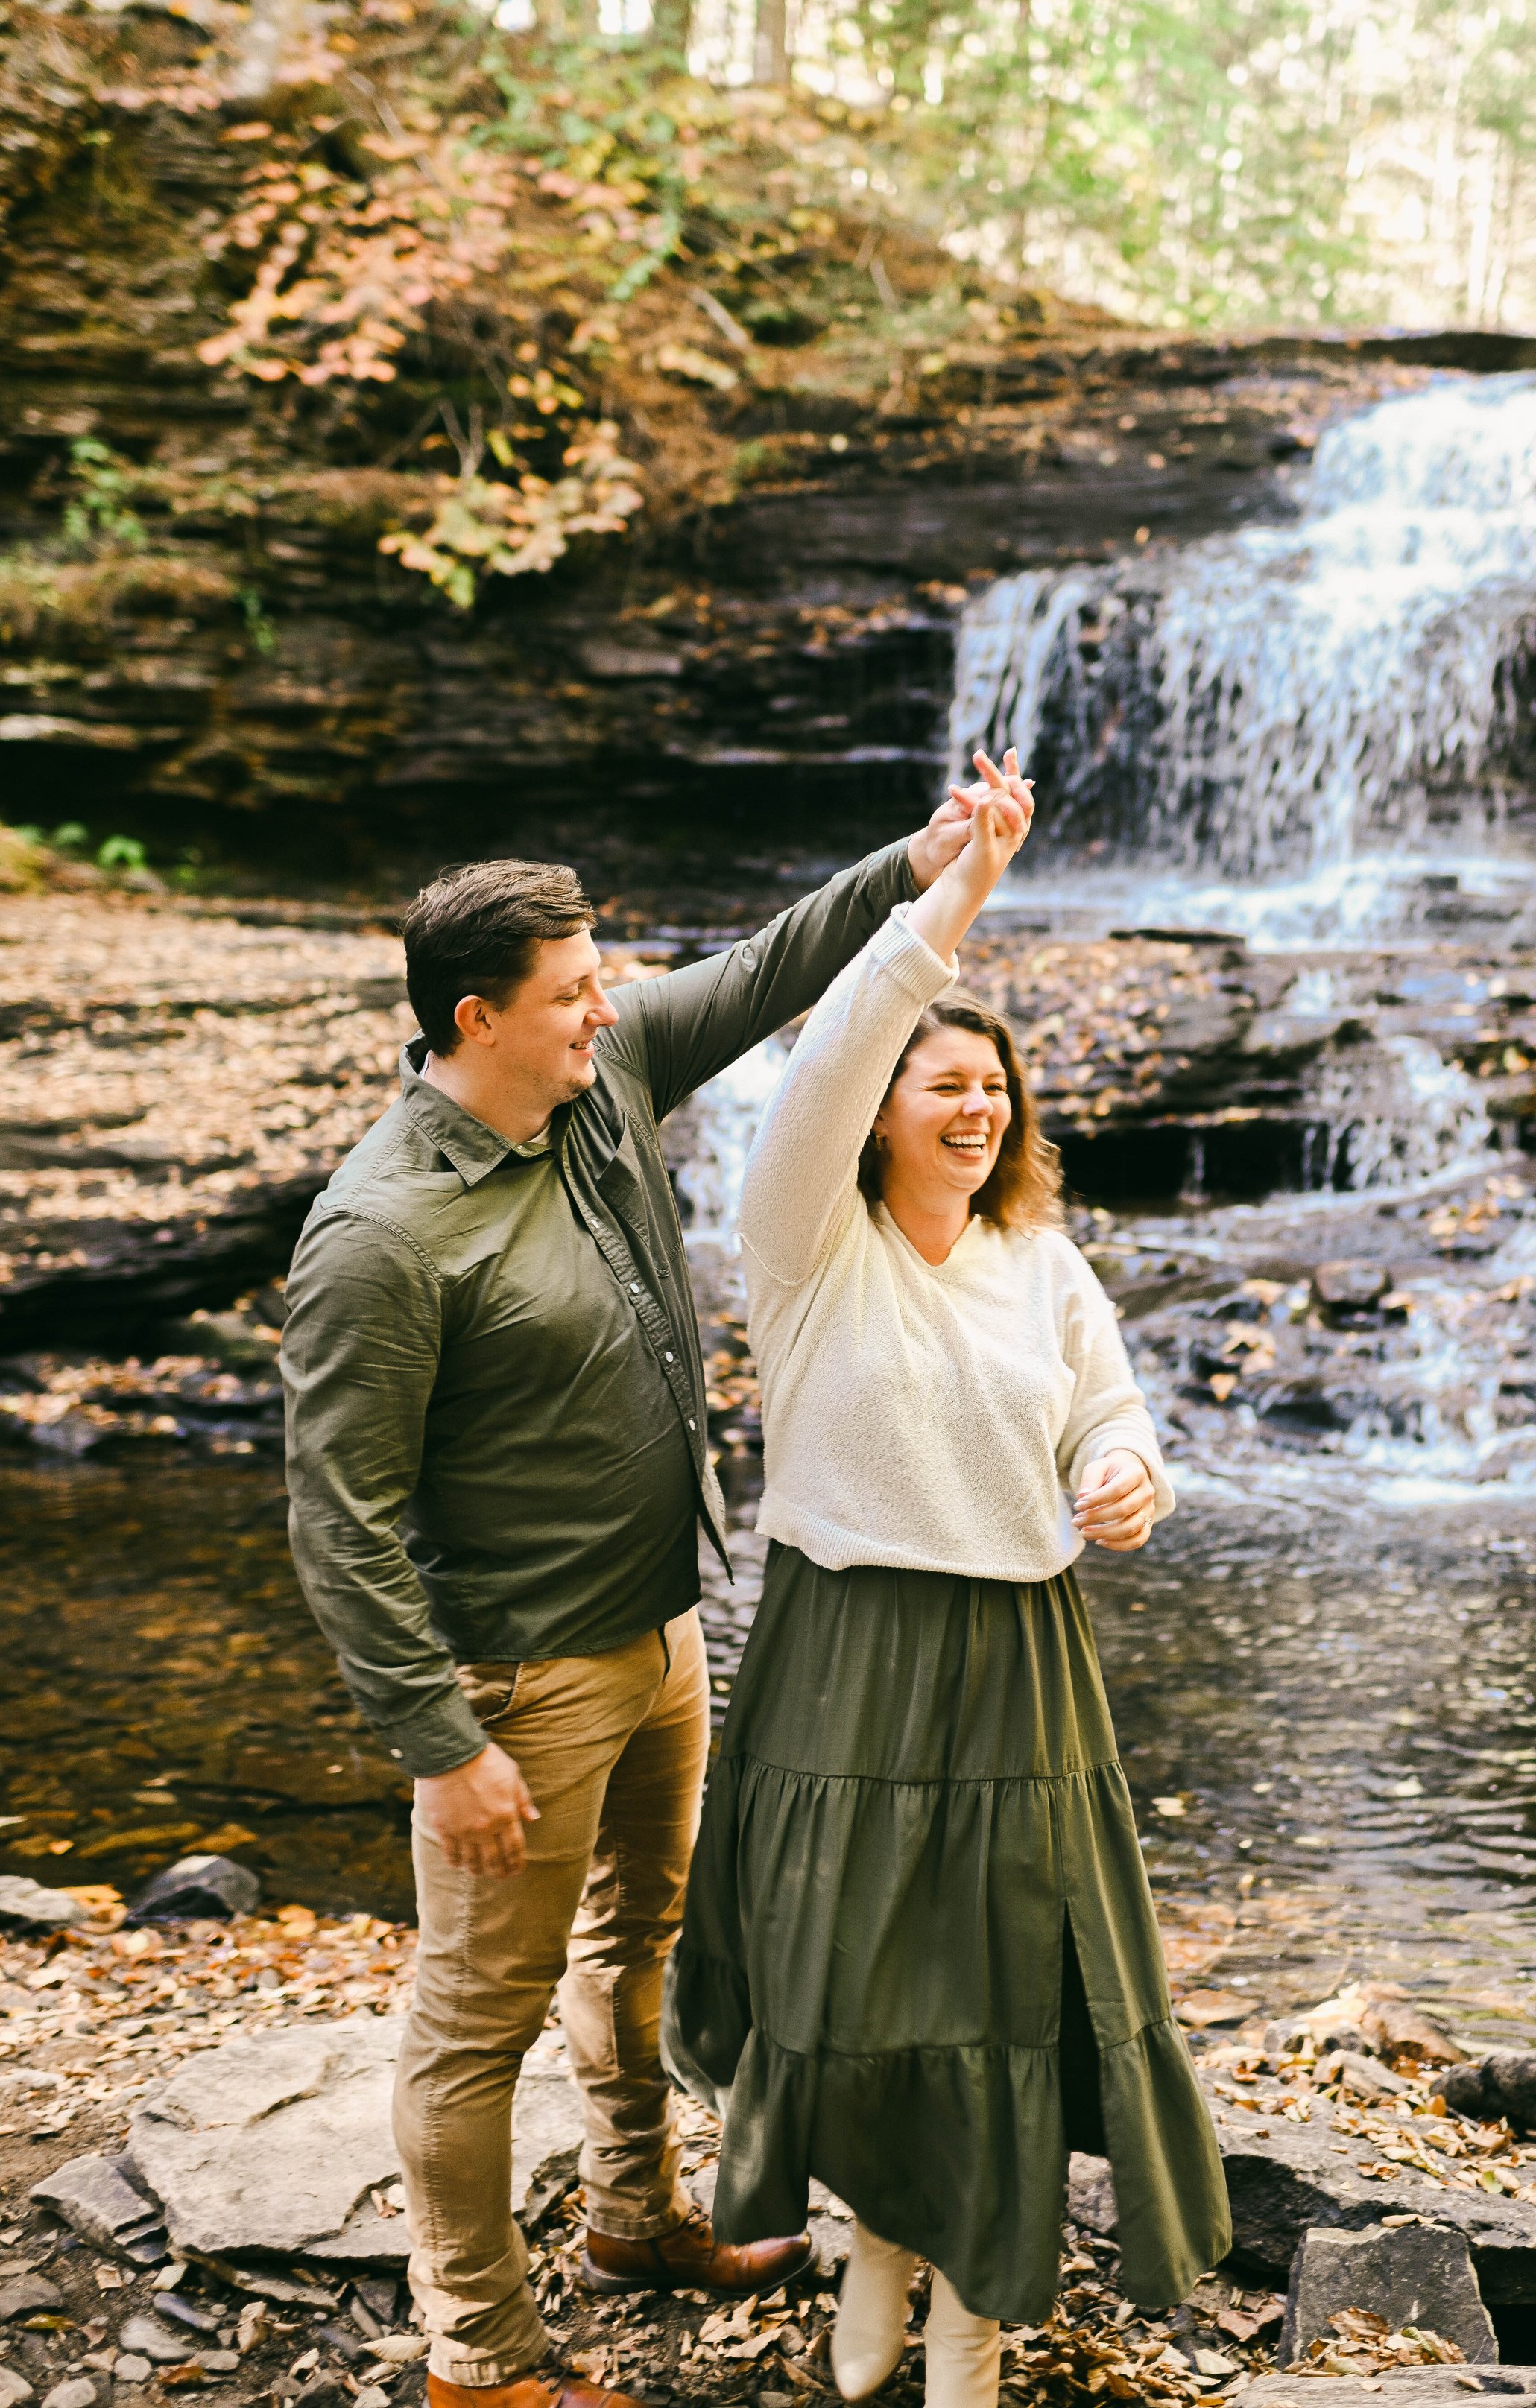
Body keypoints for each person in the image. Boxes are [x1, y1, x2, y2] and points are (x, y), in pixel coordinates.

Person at [282, 799, 987, 2408]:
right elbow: (341, 1521)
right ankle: (479, 2355)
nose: (608, 1004)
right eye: (573, 990)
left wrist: (919, 860)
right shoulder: (382, 1235)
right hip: (517, 1681)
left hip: (660, 1624)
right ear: (478, 1021)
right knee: (474, 2024)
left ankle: (631, 2216)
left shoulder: (599, 1080)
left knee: (641, 1933)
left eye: (603, 978)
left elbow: (764, 970)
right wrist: (440, 1741)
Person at [669, 750, 1230, 2408]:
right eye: (943, 1089)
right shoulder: (804, 1241)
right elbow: (826, 1056)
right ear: (882, 1117)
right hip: (843, 1648)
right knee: (848, 1991)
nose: (976, 1109)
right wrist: (950, 905)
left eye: (995, 1090)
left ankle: (969, 2323)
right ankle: (870, 2261)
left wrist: (1127, 1475)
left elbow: (1110, 1414)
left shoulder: (1037, 1261)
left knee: (989, 1996)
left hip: (1020, 1662)